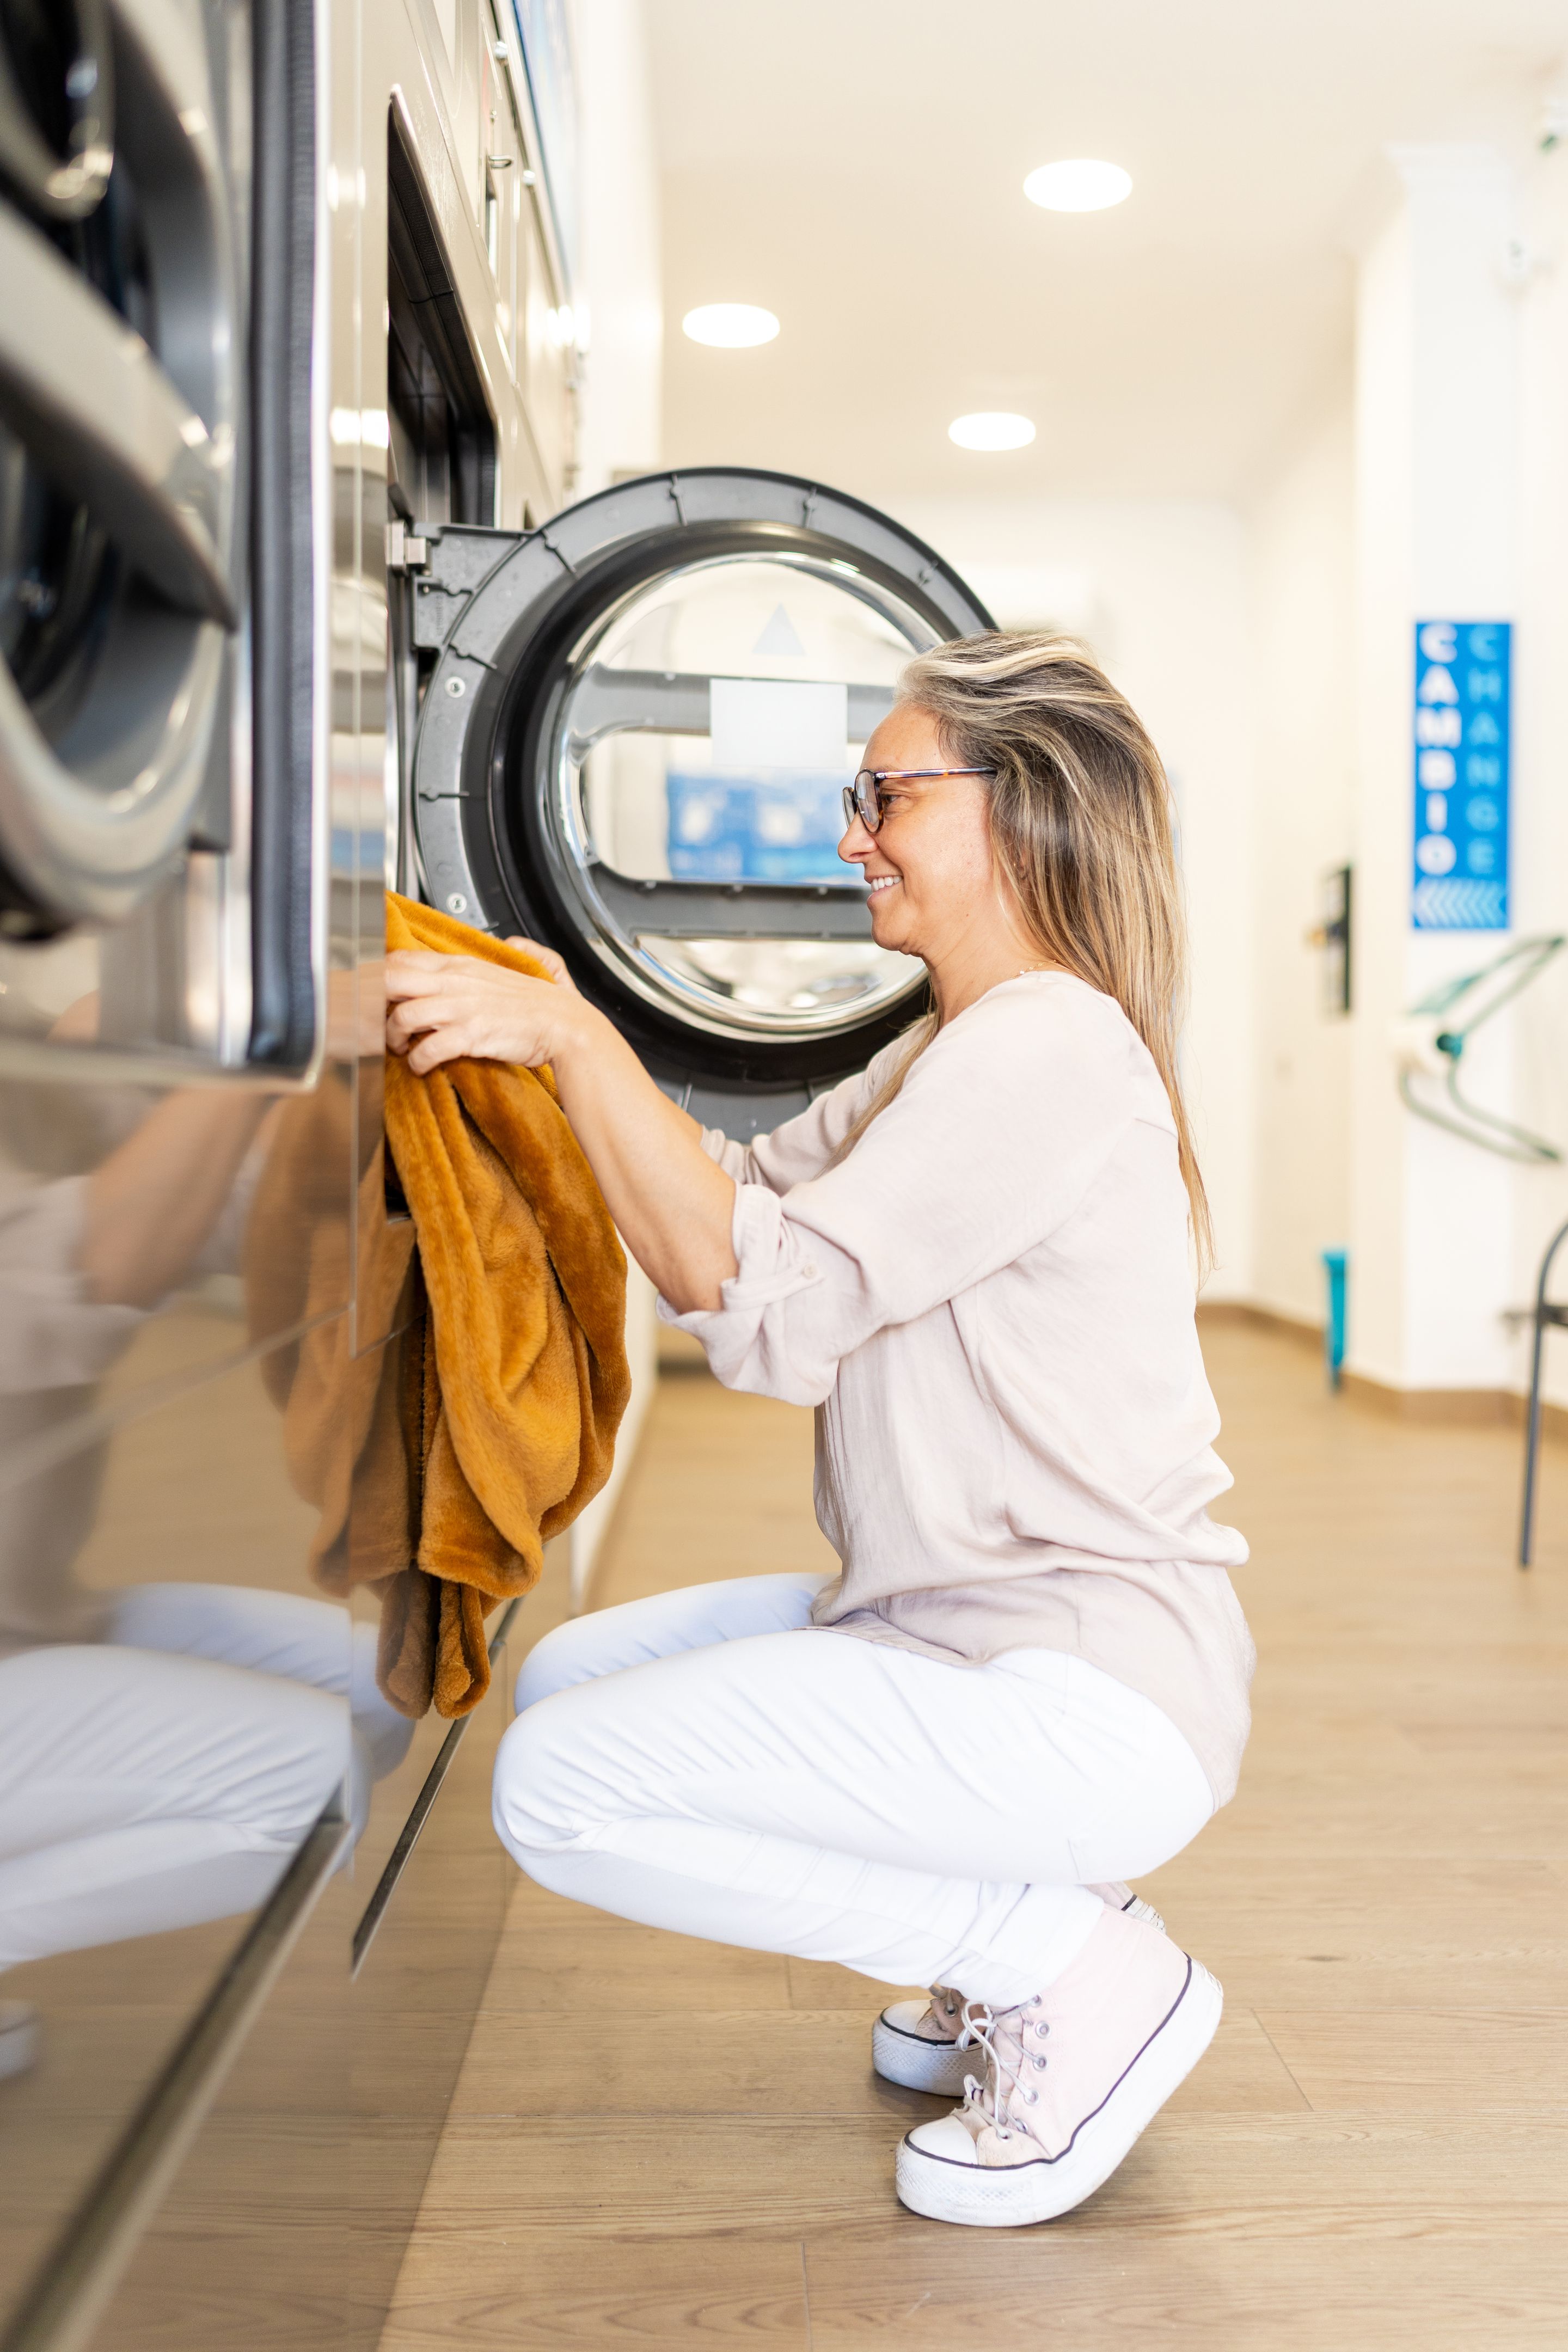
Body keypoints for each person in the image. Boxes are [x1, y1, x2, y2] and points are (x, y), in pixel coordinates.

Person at [383, 632, 1254, 2228]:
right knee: (573, 1678)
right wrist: (530, 1054)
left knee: (556, 1789)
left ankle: (1062, 1959)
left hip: (1075, 1685)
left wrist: (574, 1033)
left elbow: (766, 1312)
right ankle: (1017, 1918)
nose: (852, 834)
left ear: (1019, 809)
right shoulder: (947, 1050)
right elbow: (737, 1199)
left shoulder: (1046, 1048)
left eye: (886, 794)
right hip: (960, 1634)